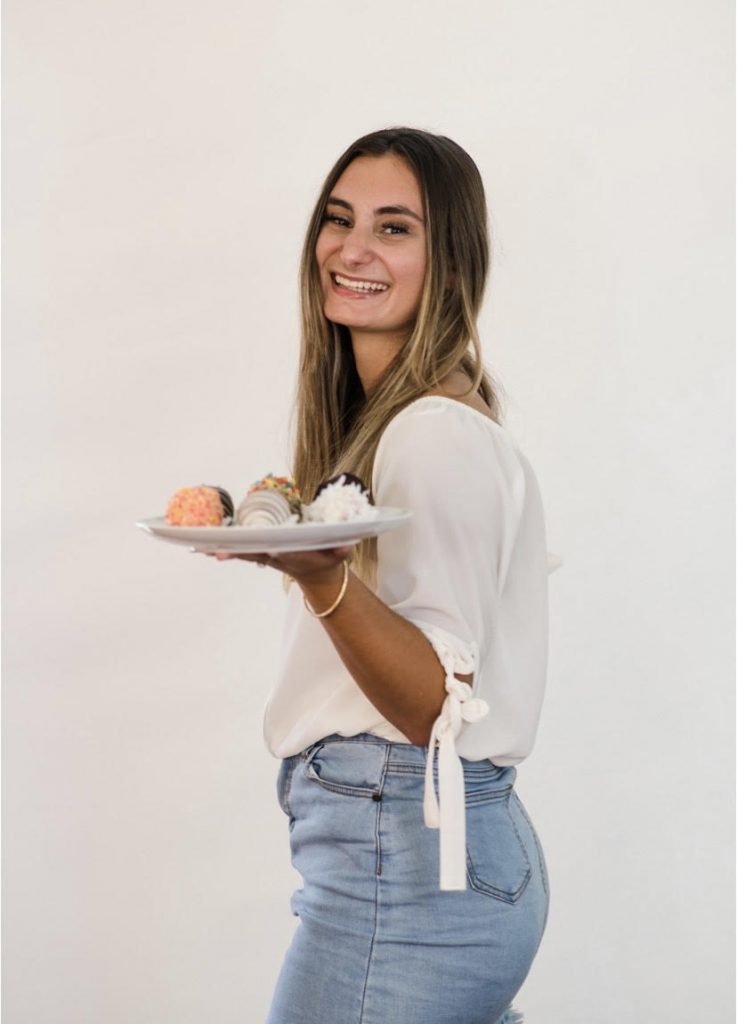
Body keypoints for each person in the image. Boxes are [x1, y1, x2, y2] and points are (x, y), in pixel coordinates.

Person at [211, 127, 552, 1024]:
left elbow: (437, 699)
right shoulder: (400, 427)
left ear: (451, 261)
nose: (351, 249)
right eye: (338, 218)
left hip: (401, 866)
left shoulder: (431, 433)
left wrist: (323, 581)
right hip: (420, 856)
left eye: (394, 228)